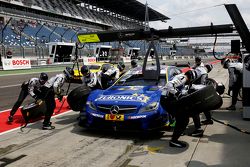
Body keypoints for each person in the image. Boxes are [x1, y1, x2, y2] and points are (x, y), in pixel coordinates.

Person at [162, 67, 207, 148]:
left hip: (168, 100)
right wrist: (178, 94)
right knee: (183, 119)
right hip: (167, 100)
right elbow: (169, 85)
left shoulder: (182, 78)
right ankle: (174, 140)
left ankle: (177, 134)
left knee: (183, 118)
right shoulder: (183, 78)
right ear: (191, 78)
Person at [191, 63, 214, 137]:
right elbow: (202, 83)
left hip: (196, 90)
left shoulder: (199, 68)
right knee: (204, 106)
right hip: (198, 90)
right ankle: (209, 119)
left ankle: (198, 129)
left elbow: (200, 83)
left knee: (195, 110)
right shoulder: (204, 72)